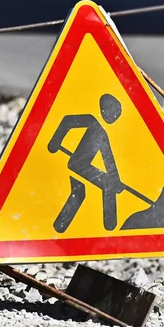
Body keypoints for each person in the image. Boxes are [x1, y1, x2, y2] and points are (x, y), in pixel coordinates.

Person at [48, 93, 124, 233]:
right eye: (114, 113)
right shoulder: (91, 121)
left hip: (81, 166)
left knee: (80, 193)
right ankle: (110, 225)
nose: (115, 117)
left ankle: (58, 229)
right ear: (105, 110)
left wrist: (116, 180)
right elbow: (67, 121)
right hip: (77, 164)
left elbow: (109, 159)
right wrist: (55, 142)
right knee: (105, 185)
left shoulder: (102, 133)